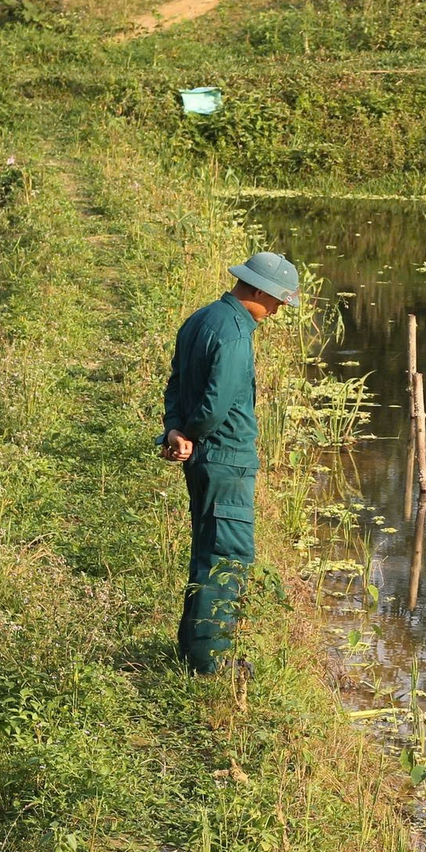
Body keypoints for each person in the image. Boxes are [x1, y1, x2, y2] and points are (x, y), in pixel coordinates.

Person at [160, 251, 299, 673]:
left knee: (206, 550)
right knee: (226, 557)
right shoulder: (236, 334)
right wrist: (191, 432)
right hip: (226, 460)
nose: (277, 311)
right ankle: (212, 662)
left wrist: (176, 431)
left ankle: (193, 652)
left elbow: (176, 384)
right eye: (277, 300)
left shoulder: (200, 319)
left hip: (203, 456)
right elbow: (216, 404)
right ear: (259, 290)